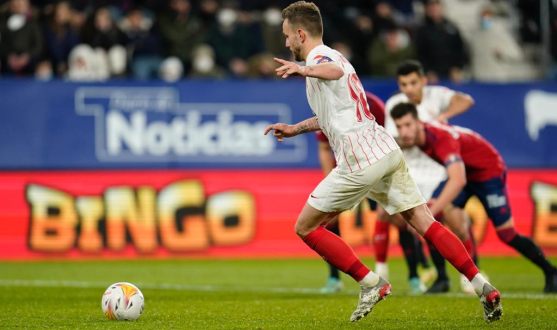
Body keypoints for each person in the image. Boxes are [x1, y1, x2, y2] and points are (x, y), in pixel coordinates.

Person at [264, 1, 502, 323]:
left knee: (305, 227)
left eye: (287, 36)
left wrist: (304, 68)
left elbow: (330, 71)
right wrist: (296, 128)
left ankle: (370, 282)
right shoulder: (333, 57)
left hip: (359, 157)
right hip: (384, 149)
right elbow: (331, 114)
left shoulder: (321, 59)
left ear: (301, 34)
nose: (286, 42)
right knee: (424, 222)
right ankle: (483, 286)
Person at [390, 102, 557, 294]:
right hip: (467, 172)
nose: (404, 131)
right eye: (399, 126)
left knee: (506, 234)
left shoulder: (441, 139)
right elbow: (399, 142)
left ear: (419, 123)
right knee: (432, 216)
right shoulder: (418, 136)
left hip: (488, 171)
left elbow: (458, 180)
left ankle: (551, 271)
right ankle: (443, 279)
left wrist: (433, 211)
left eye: (408, 125)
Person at [384, 60, 477, 294]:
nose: (409, 88)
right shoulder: (395, 104)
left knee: (456, 221)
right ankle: (442, 277)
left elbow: (466, 100)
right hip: (412, 174)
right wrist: (409, 137)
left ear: (423, 81)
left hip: (439, 170)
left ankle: (472, 272)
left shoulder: (436, 96)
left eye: (414, 82)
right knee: (426, 228)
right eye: (404, 84)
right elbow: (391, 141)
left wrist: (443, 116)